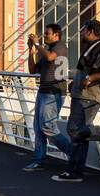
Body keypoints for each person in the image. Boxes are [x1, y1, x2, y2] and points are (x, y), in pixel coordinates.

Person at [51, 20, 100, 182]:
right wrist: (75, 82)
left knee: (75, 131)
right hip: (80, 95)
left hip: (89, 97)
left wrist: (90, 78)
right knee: (78, 136)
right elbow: (86, 71)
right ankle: (74, 172)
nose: (81, 32)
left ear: (91, 31)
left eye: (83, 30)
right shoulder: (93, 48)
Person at [23, 23, 69, 171]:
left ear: (56, 34)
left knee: (47, 127)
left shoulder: (60, 46)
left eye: (47, 33)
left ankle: (74, 153)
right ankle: (39, 160)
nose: (44, 36)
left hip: (53, 93)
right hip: (43, 91)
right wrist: (31, 50)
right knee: (38, 128)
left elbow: (50, 58)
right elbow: (32, 70)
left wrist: (37, 44)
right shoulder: (47, 50)